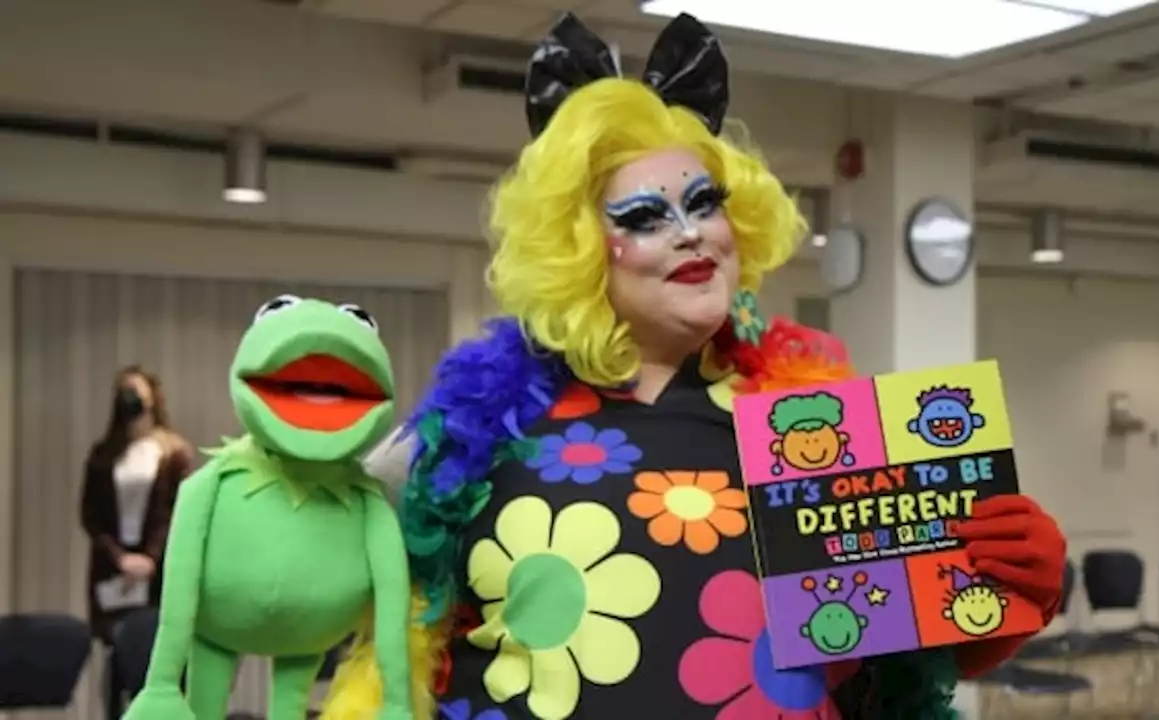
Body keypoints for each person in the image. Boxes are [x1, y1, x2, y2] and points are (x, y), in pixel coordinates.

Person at [324, 11, 1067, 719]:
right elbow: (308, 562)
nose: (690, 235)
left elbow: (896, 661)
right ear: (578, 245)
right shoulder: (474, 426)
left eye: (704, 203)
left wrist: (1001, 589)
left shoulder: (812, 430)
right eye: (645, 217)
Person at [80, 365, 194, 642]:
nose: (128, 397)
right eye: (123, 391)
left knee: (154, 644)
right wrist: (120, 557)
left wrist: (150, 558)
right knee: (114, 646)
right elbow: (90, 514)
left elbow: (177, 510)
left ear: (152, 397)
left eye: (134, 390)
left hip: (157, 565)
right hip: (113, 565)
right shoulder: (104, 453)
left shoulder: (174, 452)